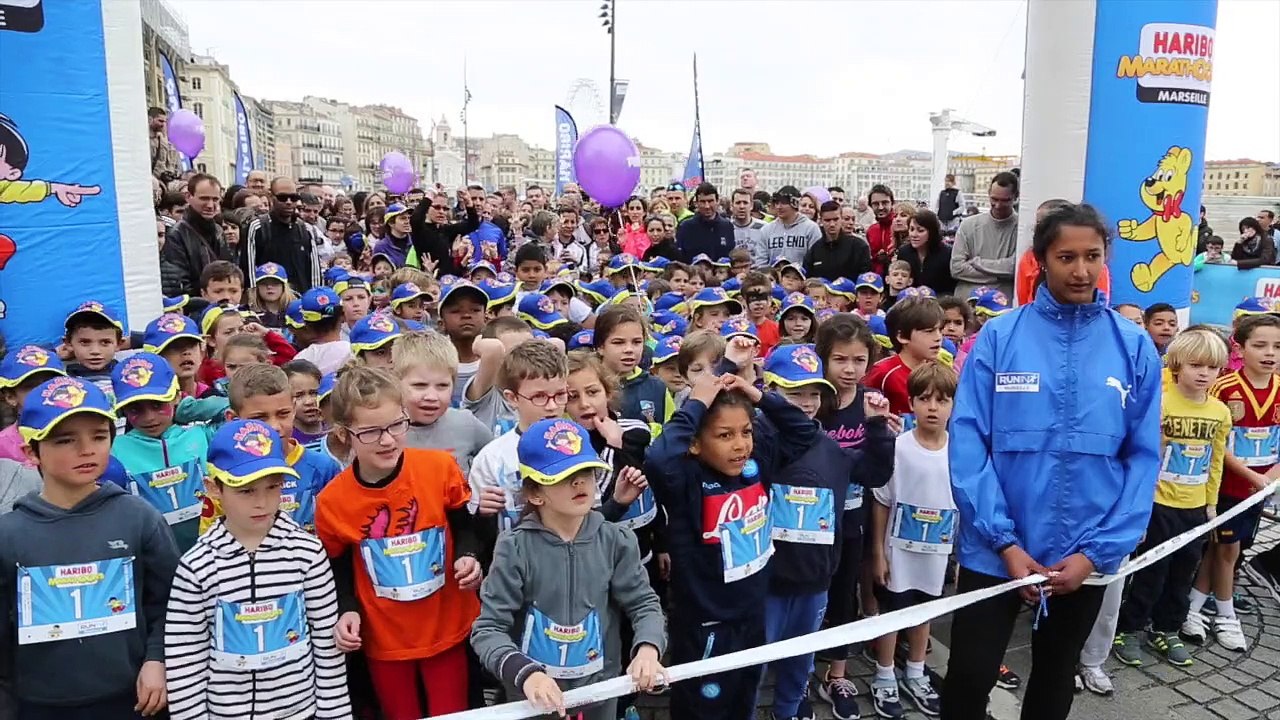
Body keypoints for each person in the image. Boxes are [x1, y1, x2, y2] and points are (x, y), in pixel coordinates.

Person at [941, 203, 1162, 720]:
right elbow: (970, 441)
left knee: (1056, 675)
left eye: (1092, 256)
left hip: (1082, 554)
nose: (1081, 270)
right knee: (970, 674)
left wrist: (1097, 553)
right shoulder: (1001, 336)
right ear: (1041, 260)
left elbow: (1143, 457)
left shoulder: (1132, 346)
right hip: (994, 553)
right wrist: (1004, 542)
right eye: (1066, 256)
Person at [645, 371, 824, 720]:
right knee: (703, 706)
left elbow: (804, 433)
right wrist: (696, 403)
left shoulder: (755, 467)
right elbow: (658, 457)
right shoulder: (686, 478)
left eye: (746, 432)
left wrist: (756, 395)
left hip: (753, 614)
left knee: (743, 700)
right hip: (705, 625)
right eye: (725, 436)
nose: (740, 445)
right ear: (695, 444)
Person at [0, 376, 179, 719]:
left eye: (99, 436)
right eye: (66, 440)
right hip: (40, 706)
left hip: (133, 700)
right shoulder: (9, 533)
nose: (86, 450)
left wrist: (157, 659)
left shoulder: (139, 518)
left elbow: (172, 604)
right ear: (30, 451)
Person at [470, 418, 667, 720]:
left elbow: (644, 604)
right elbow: (488, 630)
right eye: (563, 476)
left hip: (601, 694)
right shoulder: (514, 548)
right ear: (535, 494)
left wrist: (648, 649)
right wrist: (526, 674)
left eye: (585, 472)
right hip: (533, 701)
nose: (579, 483)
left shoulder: (616, 540)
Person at [316, 366, 483, 720]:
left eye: (396, 425)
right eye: (371, 432)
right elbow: (338, 565)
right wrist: (347, 610)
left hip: (446, 627)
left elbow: (464, 523)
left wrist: (469, 556)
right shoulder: (333, 501)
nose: (388, 440)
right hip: (384, 640)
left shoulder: (439, 468)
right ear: (345, 434)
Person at [163, 419, 351, 720]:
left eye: (273, 487)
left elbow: (327, 649)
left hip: (301, 712)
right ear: (214, 488)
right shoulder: (196, 565)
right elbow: (185, 661)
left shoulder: (308, 553)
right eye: (246, 491)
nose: (262, 502)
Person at [1111, 329, 1229, 668]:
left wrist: (1211, 504)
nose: (1204, 374)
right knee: (1151, 570)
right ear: (1177, 364)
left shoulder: (1220, 412)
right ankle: (1129, 628)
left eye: (1212, 368)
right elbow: (1141, 454)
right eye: (1195, 365)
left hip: (1194, 507)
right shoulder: (1159, 402)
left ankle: (1167, 628)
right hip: (1158, 503)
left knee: (1183, 573)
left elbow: (1216, 459)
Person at [869, 363, 959, 719]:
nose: (933, 407)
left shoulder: (959, 451)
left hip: (936, 554)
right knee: (892, 613)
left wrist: (960, 555)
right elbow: (881, 501)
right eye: (924, 399)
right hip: (898, 550)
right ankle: (884, 674)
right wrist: (878, 552)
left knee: (925, 612)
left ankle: (917, 672)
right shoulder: (898, 447)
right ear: (910, 403)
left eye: (942, 400)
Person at [1187, 315, 1280, 651]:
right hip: (1226, 488)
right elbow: (1218, 445)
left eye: (1277, 346)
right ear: (1240, 348)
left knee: (1225, 550)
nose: (1270, 353)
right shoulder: (1224, 388)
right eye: (1260, 345)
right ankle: (1226, 615)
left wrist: (1268, 479)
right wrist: (1254, 477)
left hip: (1261, 489)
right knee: (1227, 549)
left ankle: (1194, 607)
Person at [241, 177, 321, 293]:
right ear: (271, 197)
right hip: (267, 301)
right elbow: (248, 267)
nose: (288, 202)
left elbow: (314, 270)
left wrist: (315, 297)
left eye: (293, 198)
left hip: (299, 301)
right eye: (282, 198)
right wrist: (254, 299)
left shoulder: (305, 229)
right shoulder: (258, 227)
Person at [950, 172, 1019, 300]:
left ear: (1015, 197)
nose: (998, 205)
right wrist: (998, 276)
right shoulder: (968, 225)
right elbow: (956, 268)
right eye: (994, 199)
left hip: (1003, 303)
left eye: (1005, 200)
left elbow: (1015, 266)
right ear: (988, 194)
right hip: (968, 302)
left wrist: (977, 262)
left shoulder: (1021, 229)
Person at [162, 173, 232, 298]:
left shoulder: (218, 231)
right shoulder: (176, 235)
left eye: (215, 199)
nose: (210, 205)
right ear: (188, 197)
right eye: (204, 198)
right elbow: (180, 283)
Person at [409, 190, 480, 276]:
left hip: (450, 281)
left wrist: (468, 202)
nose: (442, 212)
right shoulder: (421, 230)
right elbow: (415, 220)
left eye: (445, 209)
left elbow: (473, 224)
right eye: (437, 207)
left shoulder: (446, 230)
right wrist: (429, 196)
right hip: (430, 281)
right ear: (427, 209)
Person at [756, 186, 823, 268]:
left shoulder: (811, 228)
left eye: (783, 203)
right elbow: (761, 263)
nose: (779, 207)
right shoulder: (766, 230)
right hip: (773, 279)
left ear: (795, 203)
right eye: (777, 203)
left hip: (802, 279)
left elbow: (817, 261)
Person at [805, 200, 871, 282]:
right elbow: (808, 279)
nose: (832, 224)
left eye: (835, 219)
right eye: (827, 220)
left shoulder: (859, 247)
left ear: (841, 219)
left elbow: (865, 279)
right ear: (821, 221)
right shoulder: (815, 250)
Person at [896, 208, 955, 295]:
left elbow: (950, 288)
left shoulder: (947, 253)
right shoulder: (904, 252)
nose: (914, 235)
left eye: (920, 231)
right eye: (911, 229)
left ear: (932, 232)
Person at [676, 182, 735, 264]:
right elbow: (681, 257)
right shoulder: (685, 227)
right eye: (703, 202)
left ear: (717, 201)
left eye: (710, 201)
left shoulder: (727, 226)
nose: (707, 206)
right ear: (696, 203)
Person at [866, 185, 896, 276]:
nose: (880, 207)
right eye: (875, 204)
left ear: (892, 203)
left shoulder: (901, 226)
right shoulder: (871, 230)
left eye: (885, 202)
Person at [729, 188, 766, 256]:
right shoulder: (727, 227)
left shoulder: (764, 227)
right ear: (732, 205)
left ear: (751, 205)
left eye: (745, 203)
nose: (742, 206)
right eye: (738, 203)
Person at [149, 106, 180, 180]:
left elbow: (163, 163)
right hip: (150, 179)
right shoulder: (144, 139)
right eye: (160, 121)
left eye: (164, 122)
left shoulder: (162, 140)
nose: (163, 124)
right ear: (150, 119)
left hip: (163, 179)